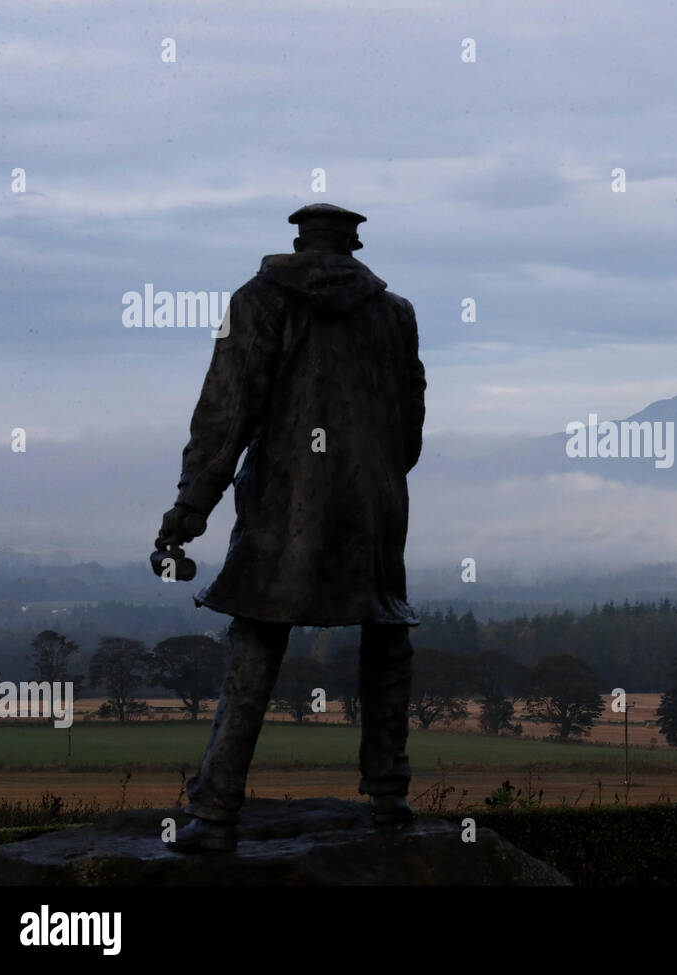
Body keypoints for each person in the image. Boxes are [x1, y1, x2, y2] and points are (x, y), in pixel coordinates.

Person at [154, 203, 426, 853]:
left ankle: (216, 809)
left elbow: (226, 412)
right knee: (385, 632)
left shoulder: (258, 301)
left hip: (283, 500)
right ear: (354, 244)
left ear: (299, 241)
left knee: (256, 636)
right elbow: (409, 425)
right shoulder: (395, 314)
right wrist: (377, 474)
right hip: (375, 504)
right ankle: (389, 794)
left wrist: (191, 507)